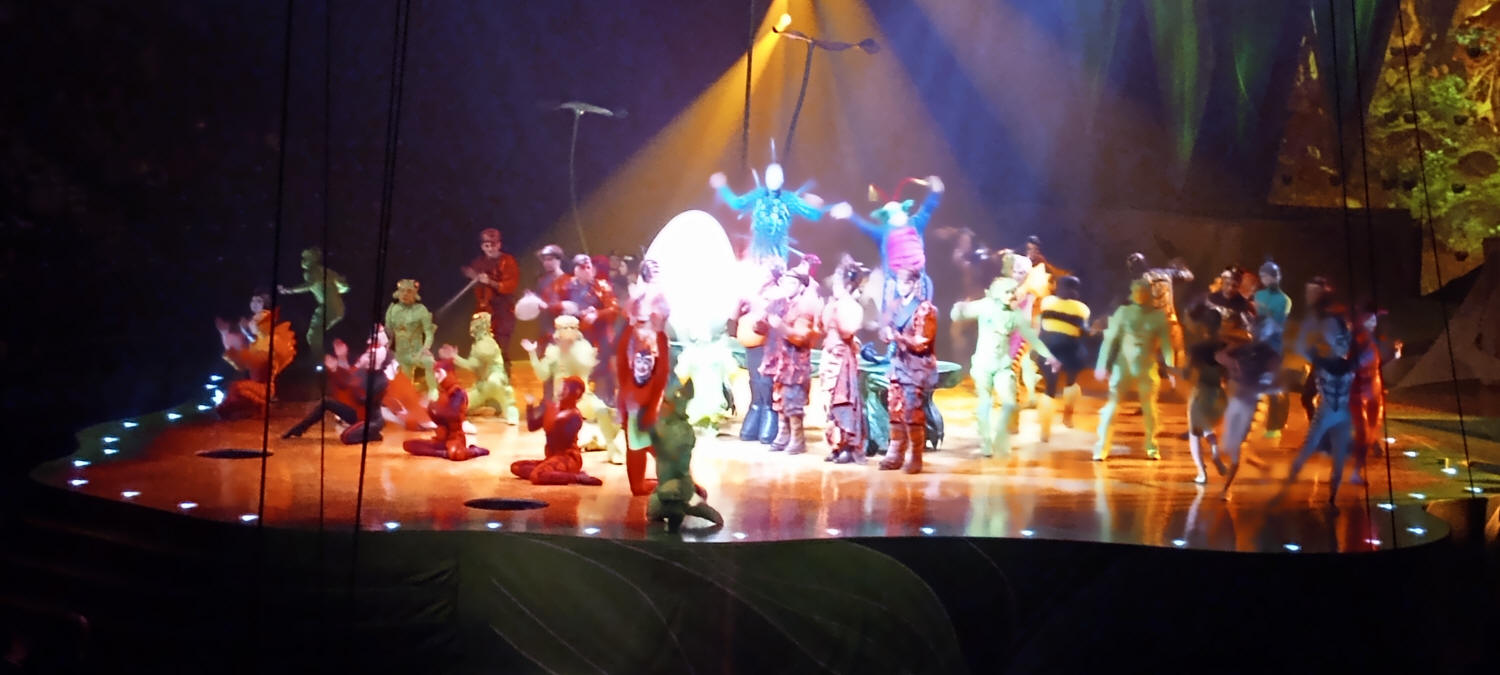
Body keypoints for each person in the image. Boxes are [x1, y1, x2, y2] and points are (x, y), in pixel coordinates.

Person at [951, 276, 1059, 457]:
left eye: (1012, 292)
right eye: (1007, 292)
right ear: (997, 293)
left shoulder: (1015, 315)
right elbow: (959, 314)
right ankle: (986, 440)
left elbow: (1031, 337)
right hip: (983, 364)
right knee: (985, 402)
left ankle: (1000, 435)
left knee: (1009, 404)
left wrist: (1049, 357)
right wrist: (958, 309)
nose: (1011, 296)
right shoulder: (986, 305)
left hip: (1003, 365)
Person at [831, 175, 944, 311]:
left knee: (915, 311)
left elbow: (928, 207)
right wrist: (936, 191)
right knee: (897, 313)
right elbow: (864, 227)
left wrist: (936, 191)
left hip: (914, 284)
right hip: (897, 286)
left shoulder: (912, 224)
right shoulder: (889, 231)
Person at [1094, 279, 1176, 461]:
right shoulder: (1124, 312)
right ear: (1132, 293)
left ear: (1149, 294)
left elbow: (1166, 345)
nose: (1140, 295)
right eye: (1137, 291)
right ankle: (1102, 447)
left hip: (1147, 366)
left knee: (1149, 408)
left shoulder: (1158, 317)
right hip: (1123, 366)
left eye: (1143, 291)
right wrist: (1101, 364)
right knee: (1112, 406)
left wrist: (1171, 369)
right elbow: (1109, 340)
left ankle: (1151, 445)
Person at [522, 315, 621, 463]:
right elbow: (543, 374)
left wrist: (573, 353)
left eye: (572, 328)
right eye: (565, 328)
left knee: (602, 410)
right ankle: (560, 451)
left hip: (583, 397)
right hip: (561, 402)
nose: (569, 331)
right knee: (557, 426)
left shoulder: (583, 347)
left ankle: (612, 448)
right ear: (558, 331)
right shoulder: (553, 351)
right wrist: (532, 354)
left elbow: (586, 367)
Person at [1286, 312, 1357, 506]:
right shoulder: (1326, 359)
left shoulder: (1342, 359)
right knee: (1311, 448)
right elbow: (1302, 347)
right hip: (1330, 410)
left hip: (1338, 412)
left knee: (1335, 456)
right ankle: (1287, 486)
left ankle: (1331, 497)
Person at [756, 254, 823, 455]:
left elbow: (801, 337)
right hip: (779, 360)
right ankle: (783, 434)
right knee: (780, 399)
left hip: (795, 362)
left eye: (792, 283)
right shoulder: (779, 303)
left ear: (801, 287)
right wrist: (762, 319)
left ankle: (797, 439)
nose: (787, 286)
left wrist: (781, 327)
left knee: (793, 401)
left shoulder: (805, 306)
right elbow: (760, 327)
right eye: (785, 282)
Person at [283, 331, 393, 444]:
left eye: (370, 356)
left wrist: (350, 377)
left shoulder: (382, 380)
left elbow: (362, 399)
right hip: (356, 415)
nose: (366, 357)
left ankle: (372, 433)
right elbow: (344, 385)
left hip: (371, 421)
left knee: (347, 437)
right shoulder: (362, 372)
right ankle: (300, 429)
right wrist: (337, 366)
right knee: (326, 402)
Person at [880, 267, 939, 473]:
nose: (901, 286)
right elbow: (885, 328)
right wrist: (887, 333)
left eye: (905, 282)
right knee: (895, 409)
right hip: (898, 364)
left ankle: (915, 456)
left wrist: (899, 337)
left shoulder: (924, 309)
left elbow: (922, 342)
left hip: (916, 367)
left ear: (914, 284)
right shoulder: (895, 305)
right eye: (899, 282)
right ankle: (895, 453)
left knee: (912, 412)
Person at [548, 254, 620, 404]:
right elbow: (551, 304)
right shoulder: (564, 285)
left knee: (603, 362)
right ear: (575, 270)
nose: (587, 270)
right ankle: (569, 397)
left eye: (589, 267)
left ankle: (604, 398)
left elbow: (613, 308)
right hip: (574, 332)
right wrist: (563, 306)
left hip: (598, 333)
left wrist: (597, 314)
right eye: (583, 267)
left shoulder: (602, 286)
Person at [820, 257, 871, 464]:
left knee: (844, 402)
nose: (835, 287)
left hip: (843, 360)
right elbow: (823, 327)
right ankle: (835, 444)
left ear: (848, 285)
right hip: (829, 356)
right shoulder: (833, 304)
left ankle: (848, 445)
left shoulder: (852, 307)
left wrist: (837, 311)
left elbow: (848, 331)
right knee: (828, 402)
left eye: (838, 283)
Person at [510, 376, 603, 486]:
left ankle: (578, 477)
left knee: (537, 476)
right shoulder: (554, 409)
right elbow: (532, 427)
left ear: (576, 393)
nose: (560, 391)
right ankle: (552, 474)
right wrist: (530, 406)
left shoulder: (574, 414)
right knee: (516, 467)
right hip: (552, 458)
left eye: (564, 388)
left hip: (568, 459)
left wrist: (547, 408)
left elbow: (554, 425)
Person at [1350, 303, 1401, 485]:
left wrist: (1394, 355)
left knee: (1371, 431)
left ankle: (1360, 464)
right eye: (1368, 319)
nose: (1372, 322)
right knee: (1363, 432)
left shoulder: (1372, 342)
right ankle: (1355, 471)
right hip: (1358, 392)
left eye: (1374, 319)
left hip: (1374, 391)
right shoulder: (1355, 340)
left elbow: (1377, 364)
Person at [438, 312, 519, 424]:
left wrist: (454, 357)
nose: (472, 328)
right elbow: (473, 365)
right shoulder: (480, 344)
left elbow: (473, 365)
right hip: (483, 386)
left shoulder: (486, 343)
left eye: (476, 325)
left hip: (494, 382)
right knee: (462, 403)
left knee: (503, 394)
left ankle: (511, 415)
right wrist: (454, 357)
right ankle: (481, 408)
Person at [1035, 275, 1090, 439]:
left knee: (1049, 388)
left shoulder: (1047, 302)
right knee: (1071, 382)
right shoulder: (1082, 309)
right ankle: (1068, 416)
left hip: (1048, 348)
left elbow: (1041, 324)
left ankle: (1045, 431)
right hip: (1070, 349)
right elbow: (1084, 331)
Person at [402, 359, 491, 461]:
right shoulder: (443, 394)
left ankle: (473, 451)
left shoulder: (457, 392)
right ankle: (443, 453)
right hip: (442, 439)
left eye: (438, 372)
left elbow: (452, 414)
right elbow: (439, 420)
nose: (436, 376)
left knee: (455, 453)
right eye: (435, 372)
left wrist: (435, 408)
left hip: (455, 439)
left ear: (448, 373)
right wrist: (429, 410)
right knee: (410, 445)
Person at [460, 228, 520, 359]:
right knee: (483, 348)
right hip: (485, 311)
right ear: (482, 247)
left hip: (503, 310)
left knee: (501, 348)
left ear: (499, 245)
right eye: (487, 246)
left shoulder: (508, 261)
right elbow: (477, 287)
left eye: (493, 245)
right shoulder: (478, 263)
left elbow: (509, 286)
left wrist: (489, 281)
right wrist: (473, 276)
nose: (490, 249)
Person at [278, 247, 348, 350]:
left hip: (327, 307)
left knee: (313, 335)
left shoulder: (311, 272)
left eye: (306, 257)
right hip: (339, 308)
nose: (303, 260)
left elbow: (309, 285)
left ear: (313, 258)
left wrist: (289, 290)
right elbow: (344, 286)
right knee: (319, 333)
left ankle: (317, 356)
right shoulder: (327, 271)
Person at [1253, 261, 1293, 439]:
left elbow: (1277, 324)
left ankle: (1275, 426)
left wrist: (1265, 318)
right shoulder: (1258, 295)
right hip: (1258, 344)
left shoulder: (1285, 300)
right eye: (1264, 276)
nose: (1268, 279)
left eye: (1271, 276)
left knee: (1275, 388)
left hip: (1274, 347)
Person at [384, 279, 437, 395]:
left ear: (414, 294)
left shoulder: (421, 310)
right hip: (400, 354)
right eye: (402, 291)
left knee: (429, 362)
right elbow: (388, 329)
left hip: (417, 353)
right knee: (404, 387)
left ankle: (433, 391)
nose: (405, 294)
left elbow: (429, 332)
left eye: (409, 291)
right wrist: (388, 344)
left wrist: (426, 348)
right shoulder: (393, 309)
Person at [532, 244, 567, 353]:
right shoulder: (542, 281)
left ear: (559, 260)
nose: (546, 263)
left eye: (550, 259)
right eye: (544, 260)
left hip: (562, 329)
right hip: (545, 328)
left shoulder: (568, 280)